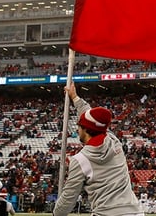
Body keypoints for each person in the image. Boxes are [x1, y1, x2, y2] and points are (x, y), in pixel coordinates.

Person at [53, 83, 144, 216]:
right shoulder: (114, 142)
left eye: (79, 126)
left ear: (85, 130)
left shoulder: (80, 160)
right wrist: (75, 97)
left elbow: (68, 198)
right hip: (134, 212)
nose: (77, 130)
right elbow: (92, 118)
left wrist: (56, 213)